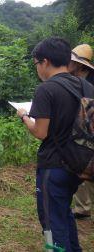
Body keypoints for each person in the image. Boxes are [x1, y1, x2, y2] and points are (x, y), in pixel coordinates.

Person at [17, 37, 93, 252]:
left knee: (52, 222)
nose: (37, 69)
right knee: (64, 212)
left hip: (54, 166)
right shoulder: (85, 85)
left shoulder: (46, 89)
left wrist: (24, 117)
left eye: (36, 64)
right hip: (79, 164)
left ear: (45, 62)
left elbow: (41, 132)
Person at [68, 44, 94, 220]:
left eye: (72, 61)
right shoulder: (74, 79)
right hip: (81, 135)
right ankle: (82, 208)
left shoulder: (88, 83)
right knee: (83, 172)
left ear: (79, 64)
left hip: (88, 132)